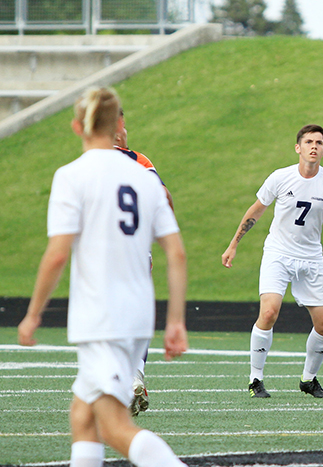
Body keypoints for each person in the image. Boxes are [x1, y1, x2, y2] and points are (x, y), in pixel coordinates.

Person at [17, 87, 189, 467]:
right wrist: (175, 320)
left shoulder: (71, 176)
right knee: (82, 416)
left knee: (112, 426)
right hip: (136, 315)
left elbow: (58, 253)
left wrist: (32, 314)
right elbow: (175, 252)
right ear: (117, 127)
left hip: (101, 317)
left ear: (77, 126)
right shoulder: (145, 177)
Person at [221, 124, 323, 399]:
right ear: (298, 148)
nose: (314, 146)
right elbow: (256, 211)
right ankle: (255, 379)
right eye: (308, 142)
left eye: (319, 142)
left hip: (311, 258)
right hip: (278, 254)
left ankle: (308, 379)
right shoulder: (280, 178)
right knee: (269, 312)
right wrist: (234, 243)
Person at [114, 108, 174, 417]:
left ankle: (120, 381)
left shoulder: (83, 166)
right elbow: (163, 196)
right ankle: (134, 374)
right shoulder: (140, 160)